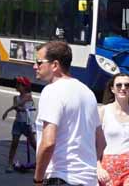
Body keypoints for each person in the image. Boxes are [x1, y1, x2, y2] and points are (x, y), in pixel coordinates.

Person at [33, 41, 105, 186]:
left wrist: (38, 180)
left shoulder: (52, 91)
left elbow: (48, 143)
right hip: (89, 180)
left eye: (39, 62)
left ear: (54, 65)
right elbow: (101, 142)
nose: (35, 66)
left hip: (61, 177)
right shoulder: (87, 92)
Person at [97, 74, 129, 186]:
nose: (123, 88)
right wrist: (98, 168)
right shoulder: (103, 112)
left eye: (127, 85)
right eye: (119, 85)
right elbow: (93, 145)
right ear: (112, 89)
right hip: (108, 169)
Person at [2, 76, 37, 173]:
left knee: (33, 144)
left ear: (25, 87)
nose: (17, 86)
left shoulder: (28, 96)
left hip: (27, 124)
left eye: (19, 84)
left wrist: (7, 111)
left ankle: (44, 162)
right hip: (18, 123)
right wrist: (18, 109)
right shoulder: (15, 98)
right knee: (14, 144)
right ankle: (10, 164)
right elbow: (17, 107)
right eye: (17, 84)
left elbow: (18, 105)